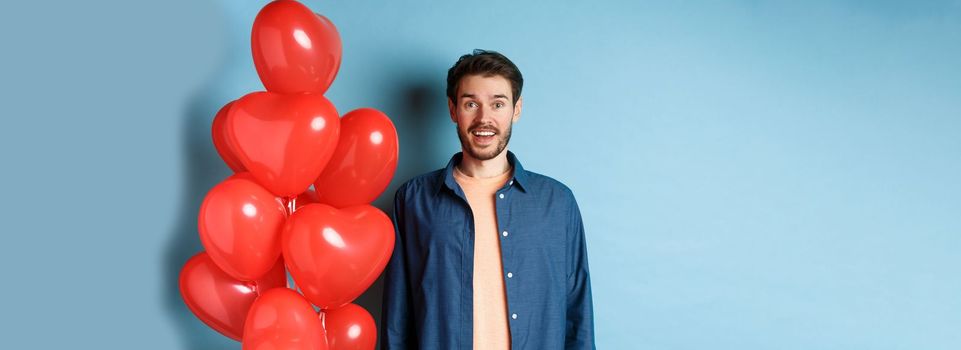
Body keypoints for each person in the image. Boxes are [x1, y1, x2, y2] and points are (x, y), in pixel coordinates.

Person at [381, 49, 595, 349]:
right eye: (471, 104)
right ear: (453, 109)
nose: (485, 118)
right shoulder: (414, 200)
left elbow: (578, 314)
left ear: (516, 110)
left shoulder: (557, 203)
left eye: (498, 104)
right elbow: (396, 320)